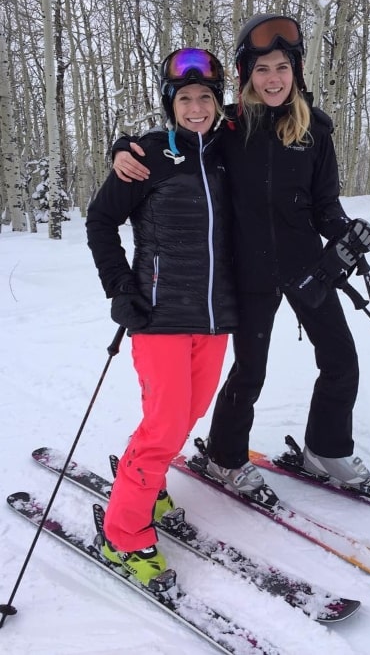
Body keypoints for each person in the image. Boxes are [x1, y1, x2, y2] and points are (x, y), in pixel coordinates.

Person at [112, 14, 370, 499]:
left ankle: (327, 448)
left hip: (304, 269)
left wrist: (347, 236)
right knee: (249, 370)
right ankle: (224, 455)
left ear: (295, 70)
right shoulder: (229, 126)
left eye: (281, 66)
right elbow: (178, 136)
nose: (272, 78)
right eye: (261, 70)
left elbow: (325, 205)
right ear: (245, 76)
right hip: (248, 270)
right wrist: (122, 149)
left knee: (341, 358)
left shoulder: (316, 129)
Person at [86, 48, 237, 588]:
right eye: (185, 99)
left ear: (219, 102)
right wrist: (120, 288)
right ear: (169, 103)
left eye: (205, 98)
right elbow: (101, 221)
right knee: (165, 425)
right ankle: (123, 534)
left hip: (216, 317)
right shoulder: (147, 154)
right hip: (159, 316)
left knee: (187, 413)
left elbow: (284, 110)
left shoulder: (230, 148)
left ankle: (146, 481)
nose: (196, 108)